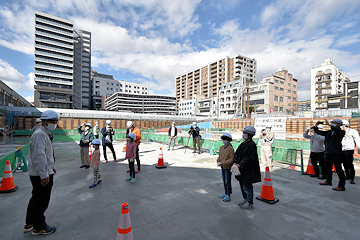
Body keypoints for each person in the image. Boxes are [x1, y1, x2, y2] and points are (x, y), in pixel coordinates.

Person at [25, 110, 60, 235]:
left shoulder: (44, 134)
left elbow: (46, 155)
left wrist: (52, 167)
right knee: (42, 201)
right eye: (52, 121)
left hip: (41, 172)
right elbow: (39, 155)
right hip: (41, 175)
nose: (54, 123)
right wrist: (44, 174)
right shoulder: (40, 134)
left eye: (55, 121)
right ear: (44, 122)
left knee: (35, 198)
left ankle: (29, 223)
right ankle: (39, 227)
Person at [233, 126, 261, 210]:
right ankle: (245, 199)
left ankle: (250, 202)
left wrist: (240, 164)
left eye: (244, 133)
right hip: (241, 170)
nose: (243, 135)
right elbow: (237, 153)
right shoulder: (243, 144)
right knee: (242, 186)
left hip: (248, 171)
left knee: (247, 187)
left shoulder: (252, 145)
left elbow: (249, 158)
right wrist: (235, 161)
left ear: (249, 135)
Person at [314, 119, 346, 191]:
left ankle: (341, 185)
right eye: (332, 123)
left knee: (338, 169)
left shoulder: (341, 132)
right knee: (328, 167)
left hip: (336, 153)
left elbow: (337, 130)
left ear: (338, 124)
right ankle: (328, 180)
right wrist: (316, 126)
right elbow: (319, 132)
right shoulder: (329, 132)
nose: (332, 124)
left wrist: (329, 125)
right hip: (328, 152)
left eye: (334, 123)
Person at [341, 120, 360, 184]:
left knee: (349, 164)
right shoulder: (341, 132)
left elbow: (357, 140)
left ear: (345, 125)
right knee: (344, 164)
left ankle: (352, 178)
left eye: (342, 125)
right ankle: (347, 175)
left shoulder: (353, 131)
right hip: (342, 149)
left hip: (349, 149)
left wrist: (359, 148)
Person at [217, 133, 234, 202]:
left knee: (228, 181)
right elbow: (220, 155)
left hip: (227, 167)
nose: (224, 141)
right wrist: (218, 160)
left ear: (229, 141)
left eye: (226, 140)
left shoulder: (231, 149)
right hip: (222, 167)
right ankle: (225, 192)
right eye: (223, 139)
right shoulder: (221, 147)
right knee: (224, 180)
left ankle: (228, 195)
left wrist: (223, 162)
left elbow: (231, 159)